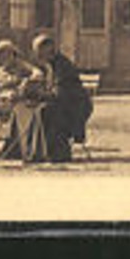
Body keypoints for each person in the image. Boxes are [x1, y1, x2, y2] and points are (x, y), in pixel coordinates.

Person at [32, 32, 93, 163]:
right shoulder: (51, 65)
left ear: (48, 49)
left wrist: (42, 95)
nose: (38, 56)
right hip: (65, 103)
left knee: (47, 112)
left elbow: (61, 93)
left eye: (39, 52)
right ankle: (38, 151)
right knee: (39, 111)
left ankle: (58, 153)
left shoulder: (62, 65)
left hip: (76, 106)